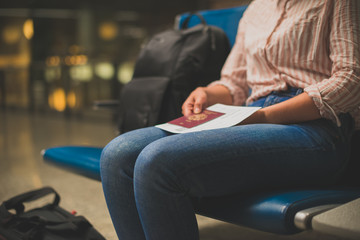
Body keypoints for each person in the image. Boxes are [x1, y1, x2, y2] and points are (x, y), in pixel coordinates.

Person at [100, 0, 360, 239]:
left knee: (157, 161)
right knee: (117, 155)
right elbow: (234, 83)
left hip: (314, 127)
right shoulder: (258, 8)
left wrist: (265, 116)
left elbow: (351, 80)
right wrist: (206, 93)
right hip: (253, 113)